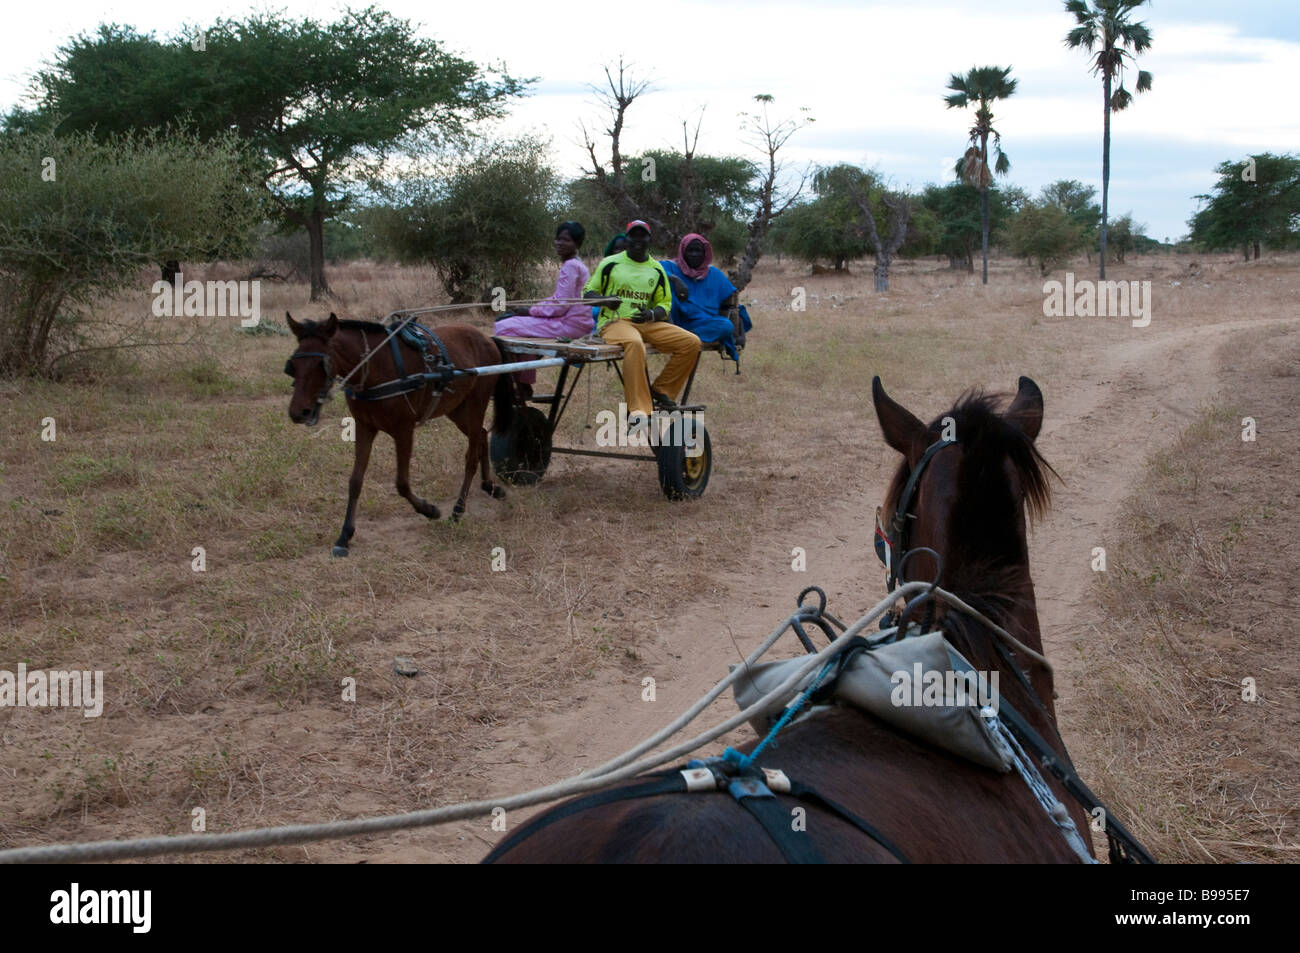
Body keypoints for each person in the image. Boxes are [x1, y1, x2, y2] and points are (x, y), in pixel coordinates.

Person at [583, 220, 700, 433]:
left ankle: (663, 390)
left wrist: (652, 313)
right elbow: (587, 293)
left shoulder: (656, 268)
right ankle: (638, 411)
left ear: (649, 240)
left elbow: (665, 304)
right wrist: (605, 300)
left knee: (691, 342)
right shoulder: (610, 263)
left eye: (642, 236)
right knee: (634, 343)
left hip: (646, 323)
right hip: (614, 322)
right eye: (633, 236)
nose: (637, 240)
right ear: (626, 239)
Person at [494, 222, 593, 400]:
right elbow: (560, 299)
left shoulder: (570, 266)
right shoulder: (578, 265)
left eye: (566, 240)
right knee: (521, 331)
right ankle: (523, 384)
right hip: (576, 322)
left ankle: (517, 383)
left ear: (577, 244)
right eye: (558, 239)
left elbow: (561, 305)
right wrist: (533, 308)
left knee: (503, 326)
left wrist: (530, 311)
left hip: (569, 324)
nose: (560, 243)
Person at [659, 233, 749, 367]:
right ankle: (683, 337)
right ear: (683, 251)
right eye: (690, 250)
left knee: (726, 326)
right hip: (674, 322)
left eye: (698, 251)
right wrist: (675, 279)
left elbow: (733, 304)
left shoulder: (714, 274)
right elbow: (649, 269)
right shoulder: (670, 267)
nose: (694, 254)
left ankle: (688, 338)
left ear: (705, 253)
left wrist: (740, 333)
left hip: (701, 326)